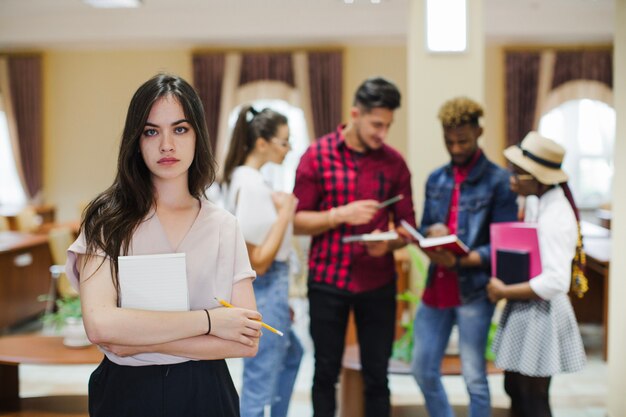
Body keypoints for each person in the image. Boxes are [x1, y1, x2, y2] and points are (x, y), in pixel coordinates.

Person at [65, 74, 263, 417]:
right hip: (125, 391)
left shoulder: (224, 227)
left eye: (180, 129)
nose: (166, 145)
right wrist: (210, 322)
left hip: (206, 391)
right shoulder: (107, 220)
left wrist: (135, 338)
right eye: (151, 131)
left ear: (198, 135)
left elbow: (245, 340)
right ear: (136, 141)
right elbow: (99, 326)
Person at [293, 76, 416, 417]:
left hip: (378, 282)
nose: (382, 133)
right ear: (355, 114)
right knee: (325, 373)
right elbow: (297, 219)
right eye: (377, 124)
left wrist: (390, 243)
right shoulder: (316, 156)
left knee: (378, 376)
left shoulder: (394, 162)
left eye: (388, 125)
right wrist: (338, 215)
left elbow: (408, 227)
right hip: (327, 281)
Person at [410, 97, 518, 417]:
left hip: (474, 290)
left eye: (463, 141)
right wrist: (430, 233)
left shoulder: (499, 181)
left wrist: (460, 260)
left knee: (474, 377)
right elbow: (425, 225)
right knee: (423, 369)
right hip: (437, 286)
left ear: (478, 132)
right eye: (448, 141)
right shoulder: (436, 178)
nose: (455, 148)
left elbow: (502, 245)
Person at [487, 132, 586, 417]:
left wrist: (504, 292)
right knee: (515, 387)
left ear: (536, 177)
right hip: (526, 306)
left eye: (517, 173)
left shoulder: (556, 215)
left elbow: (556, 281)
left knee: (534, 396)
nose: (512, 178)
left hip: (542, 311)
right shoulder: (535, 201)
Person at [222, 105, 303, 417]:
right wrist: (286, 213)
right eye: (284, 142)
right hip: (266, 285)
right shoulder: (251, 184)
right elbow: (259, 260)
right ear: (262, 144)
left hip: (272, 290)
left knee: (293, 353)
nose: (288, 149)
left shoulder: (242, 179)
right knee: (258, 379)